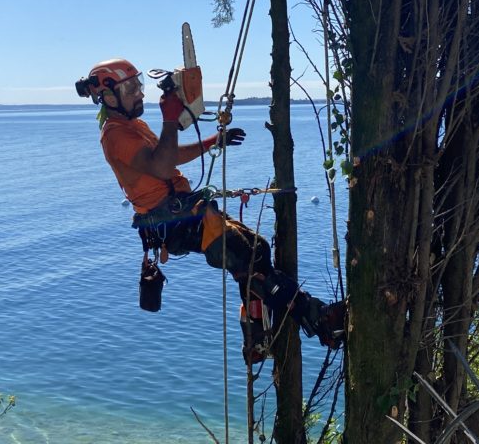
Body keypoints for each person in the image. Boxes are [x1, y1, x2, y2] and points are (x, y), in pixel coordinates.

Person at [76, 57, 344, 364]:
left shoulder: (133, 126)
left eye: (138, 85)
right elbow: (161, 166)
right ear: (108, 96)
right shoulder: (115, 135)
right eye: (131, 89)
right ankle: (319, 318)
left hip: (183, 213)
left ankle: (257, 338)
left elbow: (168, 155)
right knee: (247, 257)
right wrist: (169, 119)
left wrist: (213, 141)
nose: (139, 93)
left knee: (257, 249)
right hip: (171, 222)